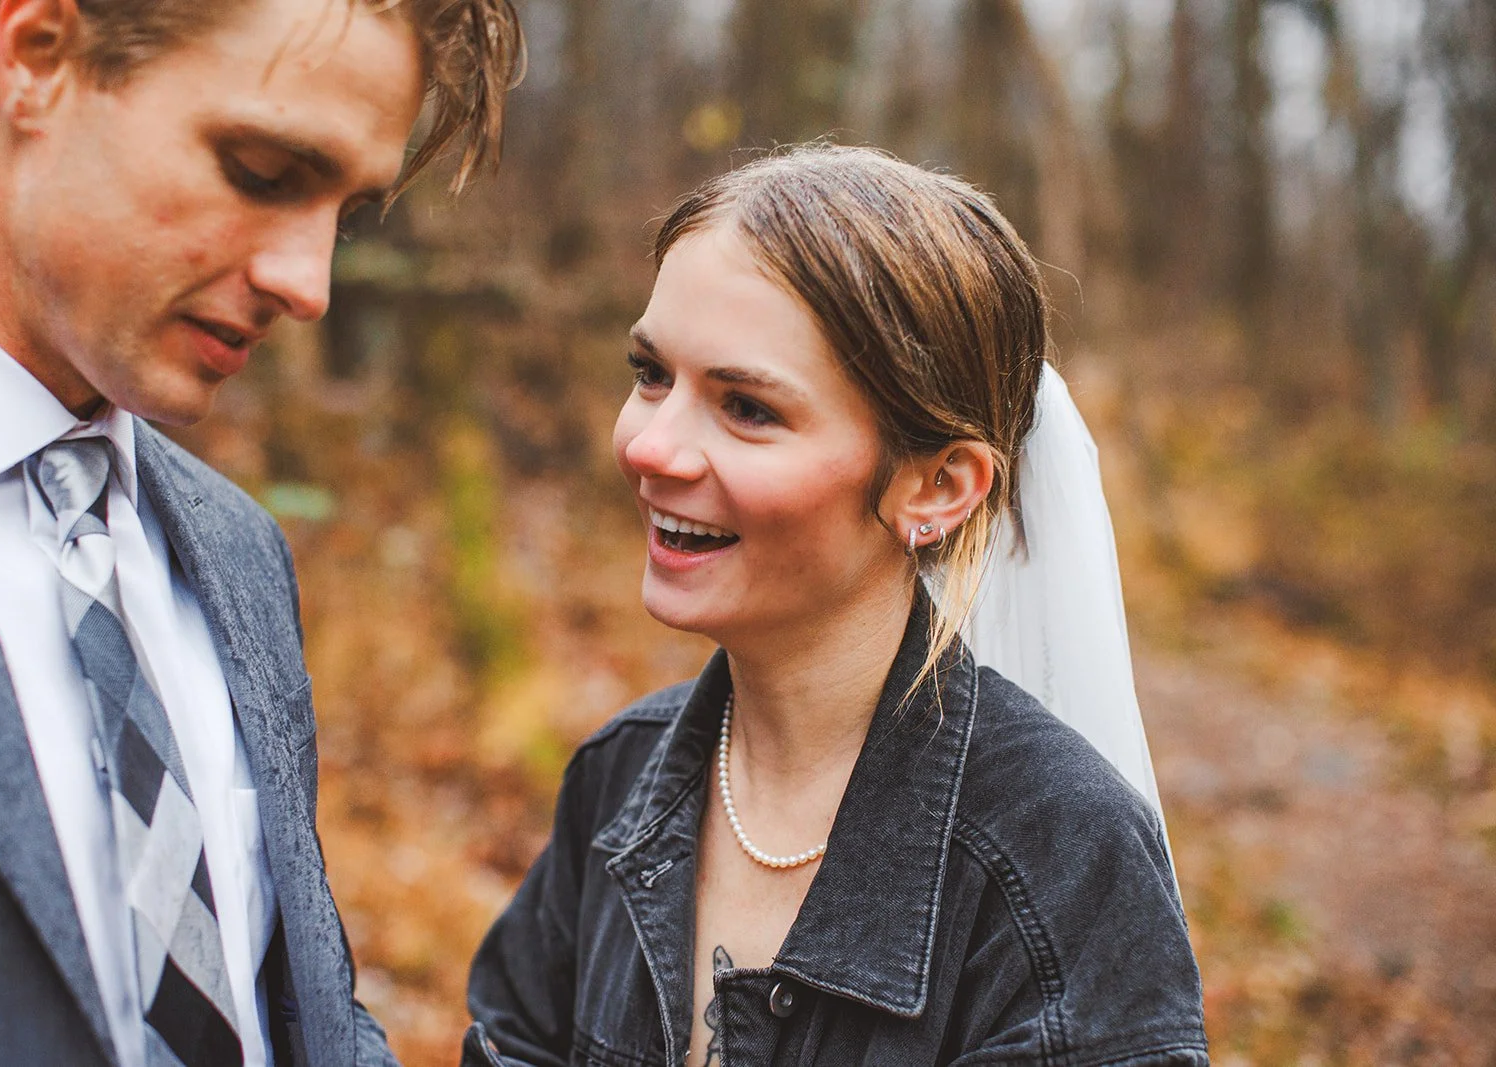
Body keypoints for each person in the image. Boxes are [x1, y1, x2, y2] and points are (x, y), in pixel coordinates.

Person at [464, 146, 1207, 1066]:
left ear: (938, 485)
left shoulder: (1062, 860)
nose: (651, 447)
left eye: (747, 407)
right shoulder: (617, 778)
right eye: (651, 374)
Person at [0, 0, 519, 1063]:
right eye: (264, 173)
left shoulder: (233, 551)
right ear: (38, 53)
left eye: (345, 211)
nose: (307, 284)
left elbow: (294, 1018)